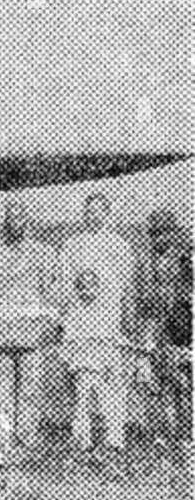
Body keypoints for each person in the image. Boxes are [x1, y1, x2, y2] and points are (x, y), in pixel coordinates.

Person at [56, 193, 136, 438]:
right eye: (89, 210)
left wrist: (126, 319)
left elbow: (126, 284)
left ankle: (114, 436)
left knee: (111, 380)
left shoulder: (119, 244)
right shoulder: (72, 244)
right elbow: (64, 281)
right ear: (84, 213)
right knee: (82, 381)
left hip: (108, 320)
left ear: (107, 213)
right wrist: (68, 310)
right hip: (80, 322)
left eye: (99, 210)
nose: (94, 215)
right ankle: (82, 435)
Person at [0, 199, 57, 446]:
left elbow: (49, 292)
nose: (15, 223)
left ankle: (28, 435)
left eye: (20, 217)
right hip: (2, 328)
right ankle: (4, 433)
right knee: (3, 385)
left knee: (31, 385)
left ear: (27, 222)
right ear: (5, 223)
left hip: (32, 327)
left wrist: (49, 322)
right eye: (10, 218)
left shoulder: (43, 252)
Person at [135, 209, 191, 442]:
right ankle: (158, 433)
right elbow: (139, 299)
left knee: (183, 381)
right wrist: (143, 334)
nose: (160, 238)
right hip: (153, 326)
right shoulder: (144, 261)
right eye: (155, 233)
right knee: (153, 380)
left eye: (165, 232)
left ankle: (187, 432)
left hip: (180, 326)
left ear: (174, 233)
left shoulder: (185, 258)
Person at [63, 270, 128, 452]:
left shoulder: (106, 311)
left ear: (97, 288)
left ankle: (114, 441)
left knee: (109, 399)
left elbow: (113, 337)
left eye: (91, 287)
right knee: (82, 401)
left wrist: (112, 361)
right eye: (82, 288)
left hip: (104, 362)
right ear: (77, 290)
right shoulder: (74, 312)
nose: (87, 291)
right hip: (83, 363)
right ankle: (82, 441)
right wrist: (71, 362)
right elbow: (69, 339)